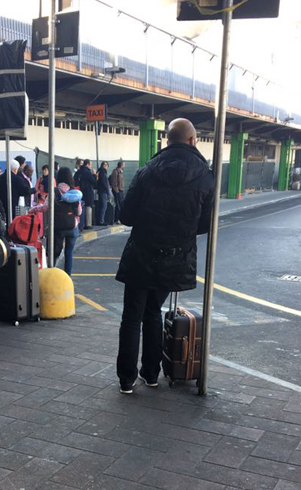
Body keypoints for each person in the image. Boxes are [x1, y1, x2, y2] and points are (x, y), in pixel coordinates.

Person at [115, 119, 214, 394]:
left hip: (141, 255)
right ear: (193, 141)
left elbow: (126, 215)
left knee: (132, 316)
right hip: (175, 258)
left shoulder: (147, 171)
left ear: (167, 141)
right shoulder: (206, 176)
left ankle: (126, 379)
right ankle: (151, 374)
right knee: (153, 312)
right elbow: (205, 225)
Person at [53, 167, 82, 276]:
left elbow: (46, 207)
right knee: (69, 253)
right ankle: (67, 276)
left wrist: (34, 209)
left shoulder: (55, 191)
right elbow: (79, 211)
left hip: (58, 227)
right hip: (72, 226)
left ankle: (53, 274)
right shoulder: (75, 192)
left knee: (55, 252)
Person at [74, 158, 96, 229]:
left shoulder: (79, 171)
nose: (91, 166)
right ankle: (88, 224)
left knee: (81, 207)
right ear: (88, 164)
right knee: (88, 207)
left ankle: (81, 224)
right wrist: (95, 175)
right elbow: (94, 182)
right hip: (88, 191)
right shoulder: (88, 172)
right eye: (91, 164)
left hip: (79, 191)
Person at [96, 161, 111, 226]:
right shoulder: (102, 172)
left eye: (107, 165)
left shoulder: (102, 172)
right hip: (103, 191)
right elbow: (103, 182)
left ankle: (100, 220)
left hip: (102, 191)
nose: (106, 166)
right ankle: (101, 221)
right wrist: (107, 190)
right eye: (105, 164)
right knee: (103, 206)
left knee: (102, 205)